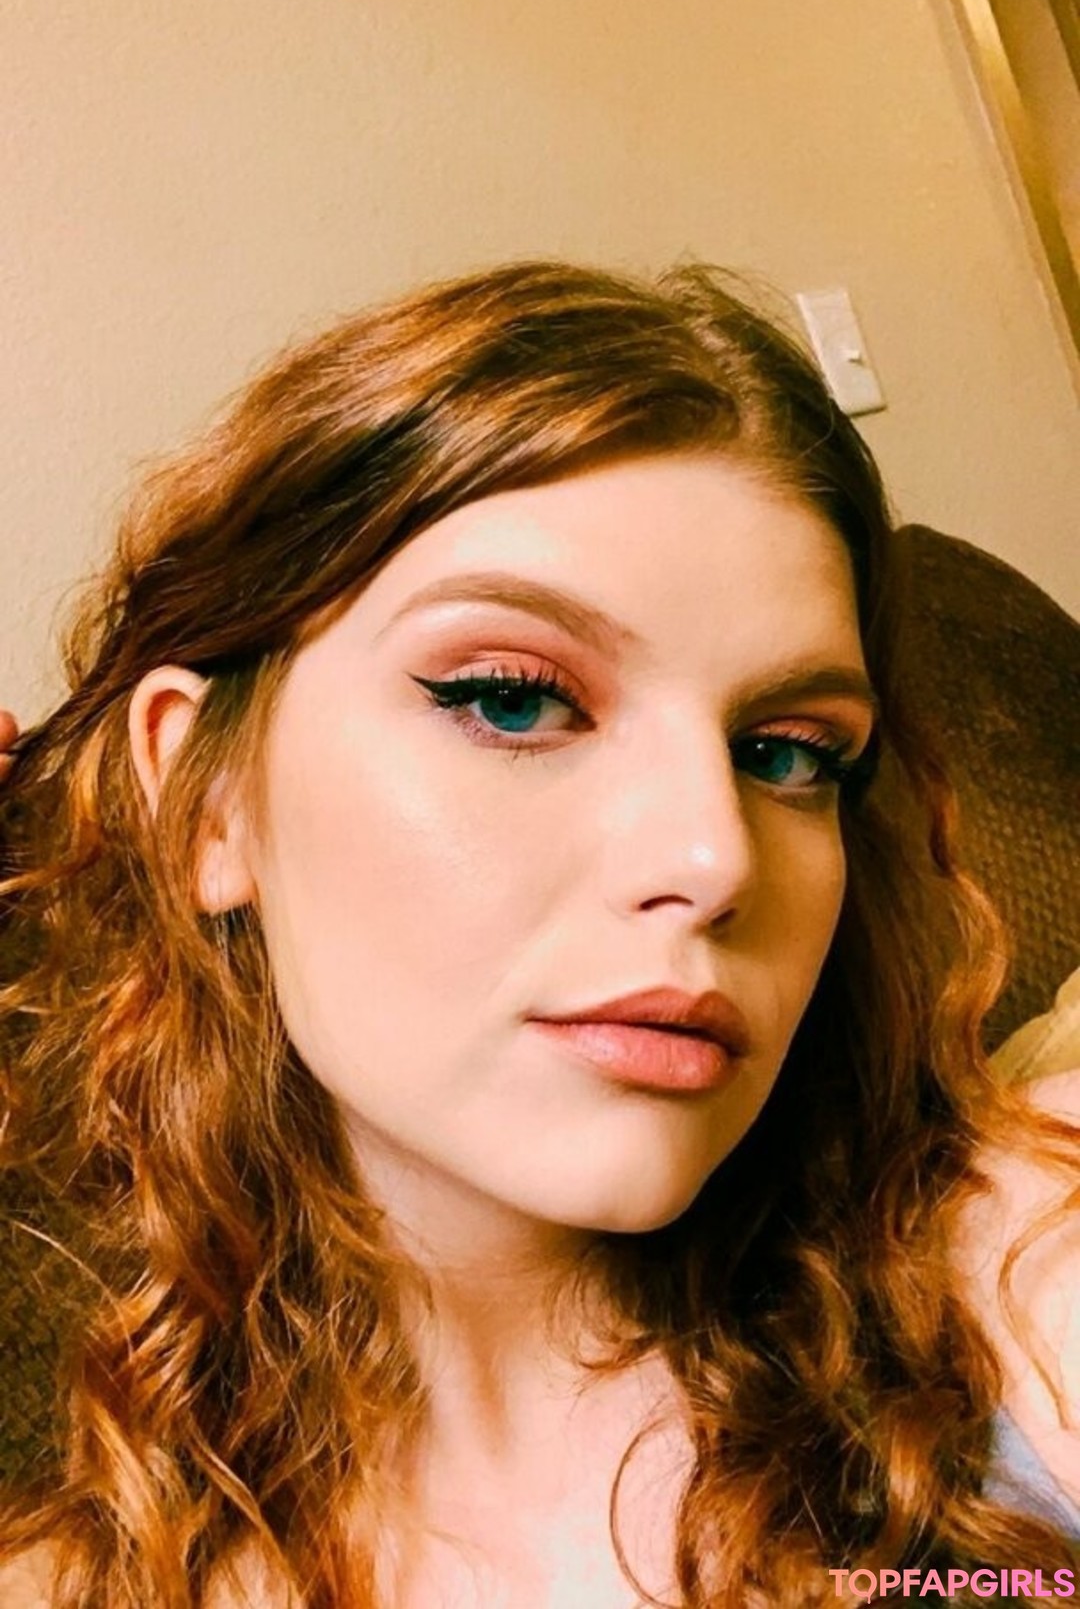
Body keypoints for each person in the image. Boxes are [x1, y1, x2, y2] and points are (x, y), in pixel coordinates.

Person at [0, 260, 1077, 1609]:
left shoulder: (1027, 1284)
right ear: (204, 802)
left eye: (789, 752)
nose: (716, 857)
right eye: (512, 699)